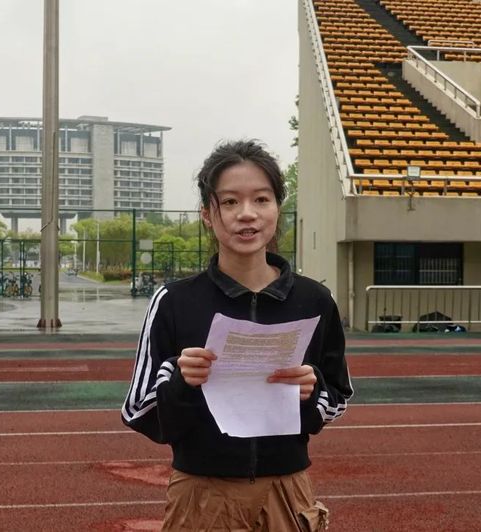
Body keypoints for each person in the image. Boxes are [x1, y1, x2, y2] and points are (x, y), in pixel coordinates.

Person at [121, 139, 353, 531]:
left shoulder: (315, 300)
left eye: (261, 199)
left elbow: (338, 395)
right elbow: (137, 410)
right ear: (207, 215)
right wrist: (180, 380)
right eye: (230, 202)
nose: (247, 214)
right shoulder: (175, 301)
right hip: (202, 494)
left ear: (277, 208)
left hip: (288, 491)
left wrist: (312, 391)